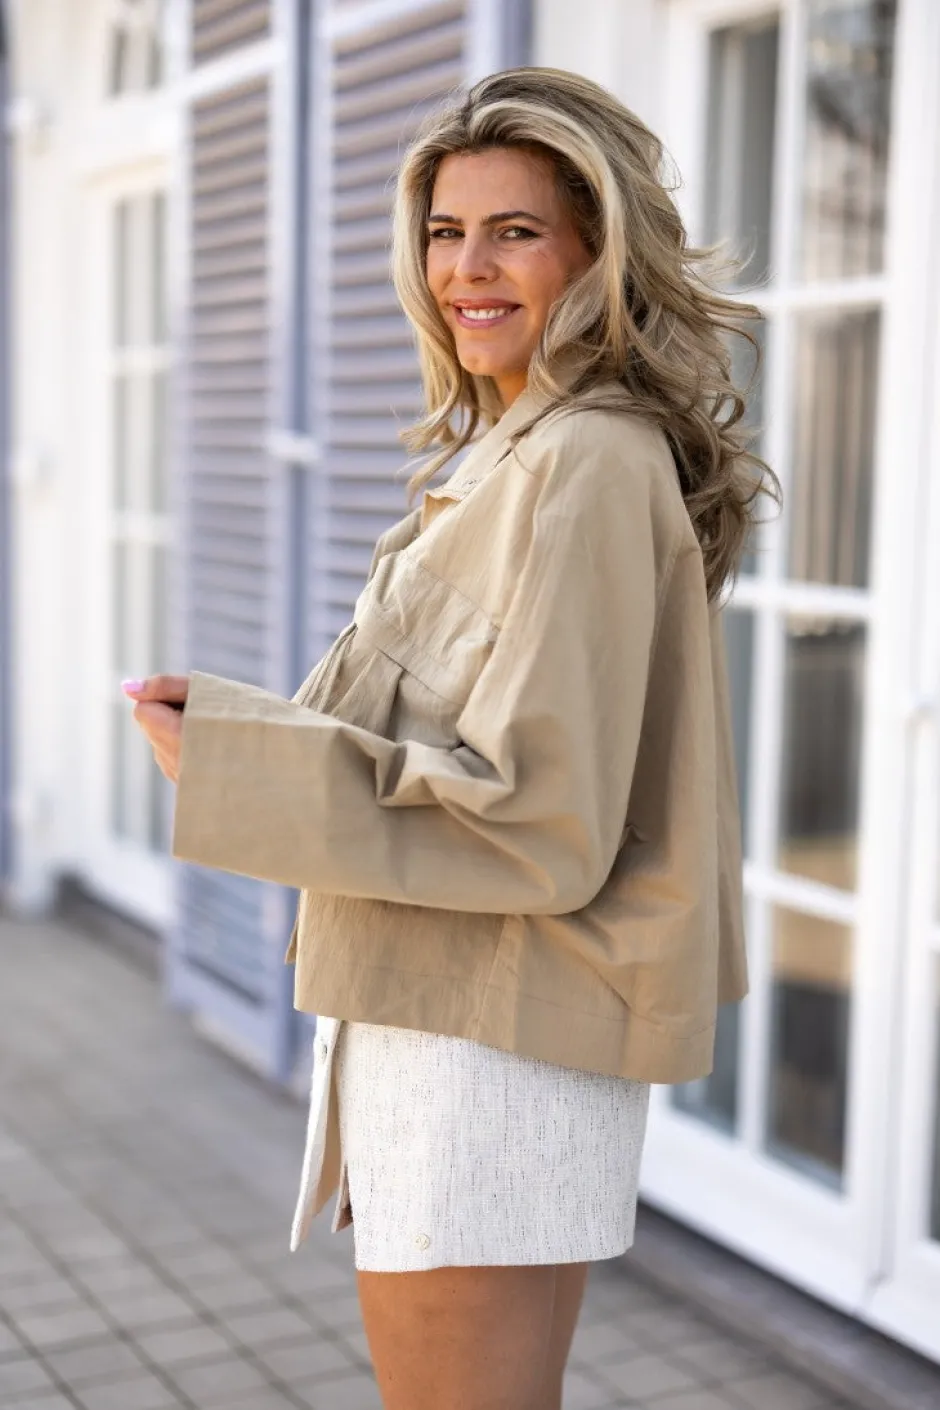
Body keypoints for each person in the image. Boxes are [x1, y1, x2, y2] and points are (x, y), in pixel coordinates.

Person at [125, 66, 778, 1410]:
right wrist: (250, 728)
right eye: (444, 232)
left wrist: (242, 770)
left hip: (485, 1042)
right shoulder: (521, 448)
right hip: (476, 1016)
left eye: (514, 231)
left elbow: (541, 818)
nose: (466, 269)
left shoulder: (584, 461)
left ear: (597, 252)